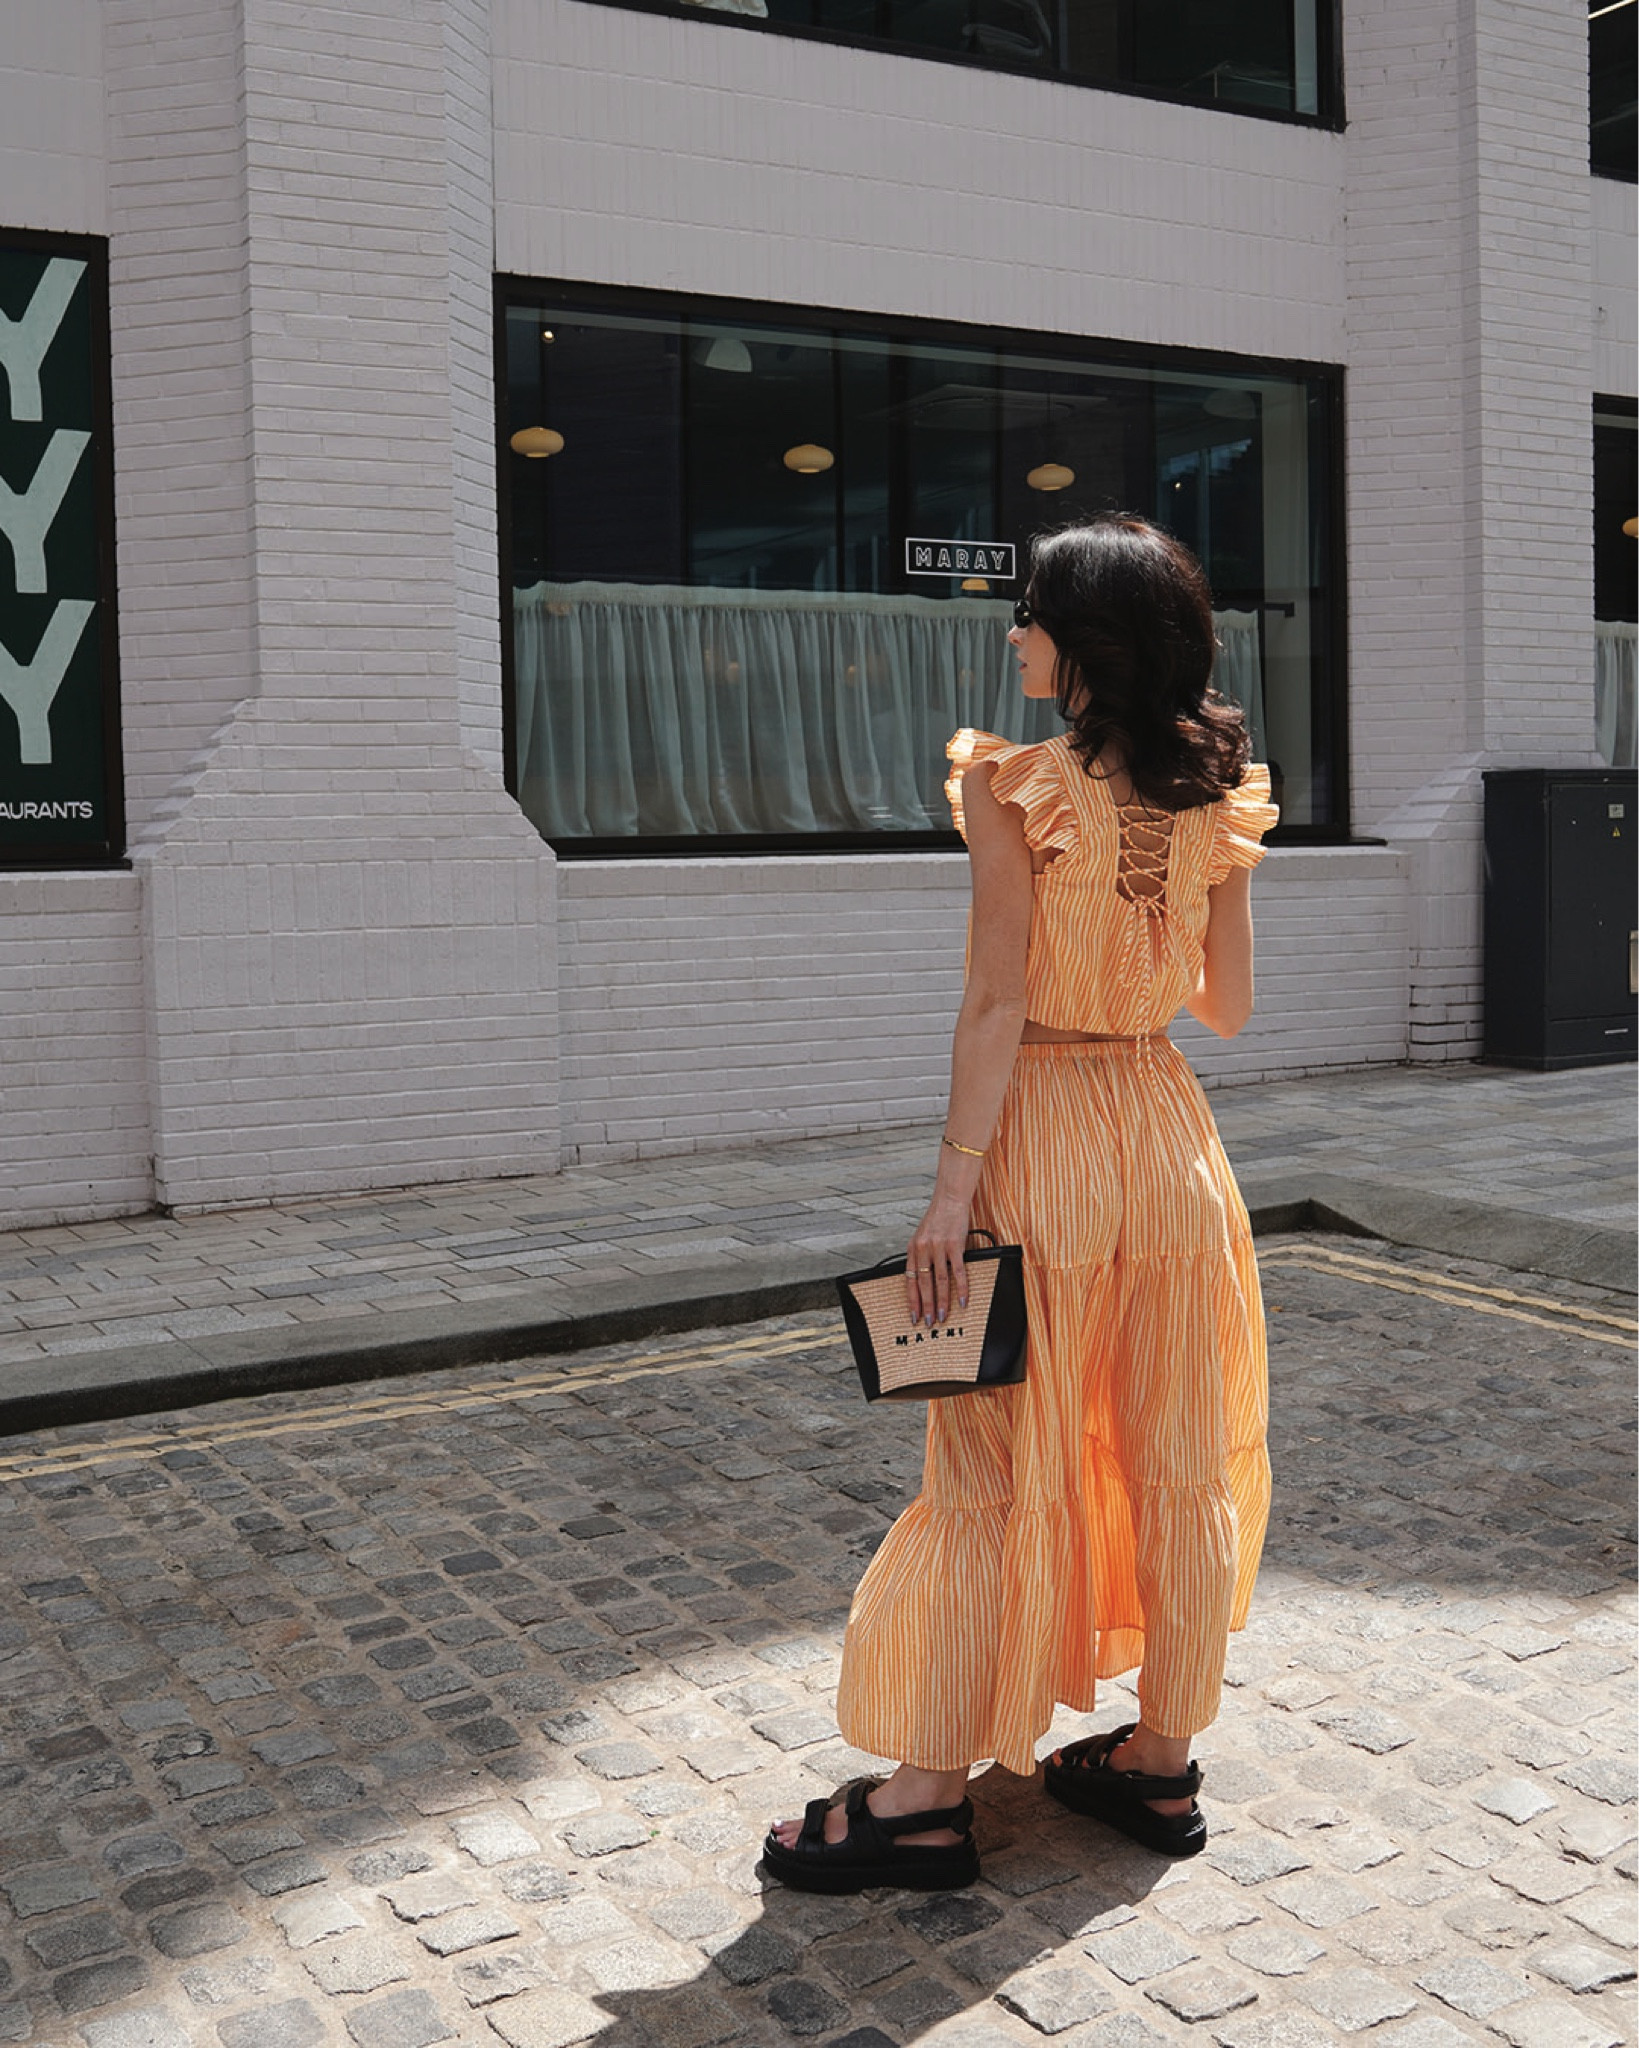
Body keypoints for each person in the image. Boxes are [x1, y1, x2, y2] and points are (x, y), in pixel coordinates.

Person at [763, 515, 1279, 1894]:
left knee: (993, 1465)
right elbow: (1227, 1008)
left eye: (1033, 614)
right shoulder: (1223, 794)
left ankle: (926, 1797)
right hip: (1169, 1140)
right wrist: (1161, 914)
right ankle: (1159, 1761)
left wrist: (950, 1198)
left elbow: (996, 1002)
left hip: (1045, 1138)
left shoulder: (1015, 787)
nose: (1015, 636)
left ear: (1087, 643)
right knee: (1178, 1448)